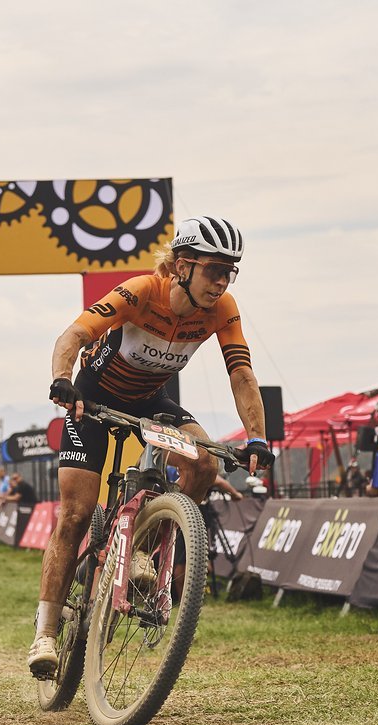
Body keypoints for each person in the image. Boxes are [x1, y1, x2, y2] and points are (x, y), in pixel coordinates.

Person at [31, 215, 274, 678]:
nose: (221, 281)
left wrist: (257, 437)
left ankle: (149, 542)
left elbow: (241, 373)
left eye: (230, 272)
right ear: (182, 264)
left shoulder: (222, 308)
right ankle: (45, 631)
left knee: (203, 462)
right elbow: (75, 335)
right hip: (94, 400)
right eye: (213, 270)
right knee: (77, 514)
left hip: (153, 403)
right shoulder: (142, 290)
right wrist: (63, 381)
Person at [3, 472, 38, 547]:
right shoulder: (18, 486)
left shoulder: (22, 485)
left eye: (16, 478)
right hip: (26, 508)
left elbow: (16, 498)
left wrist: (4, 498)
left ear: (20, 477)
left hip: (30, 507)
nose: (14, 481)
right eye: (13, 479)